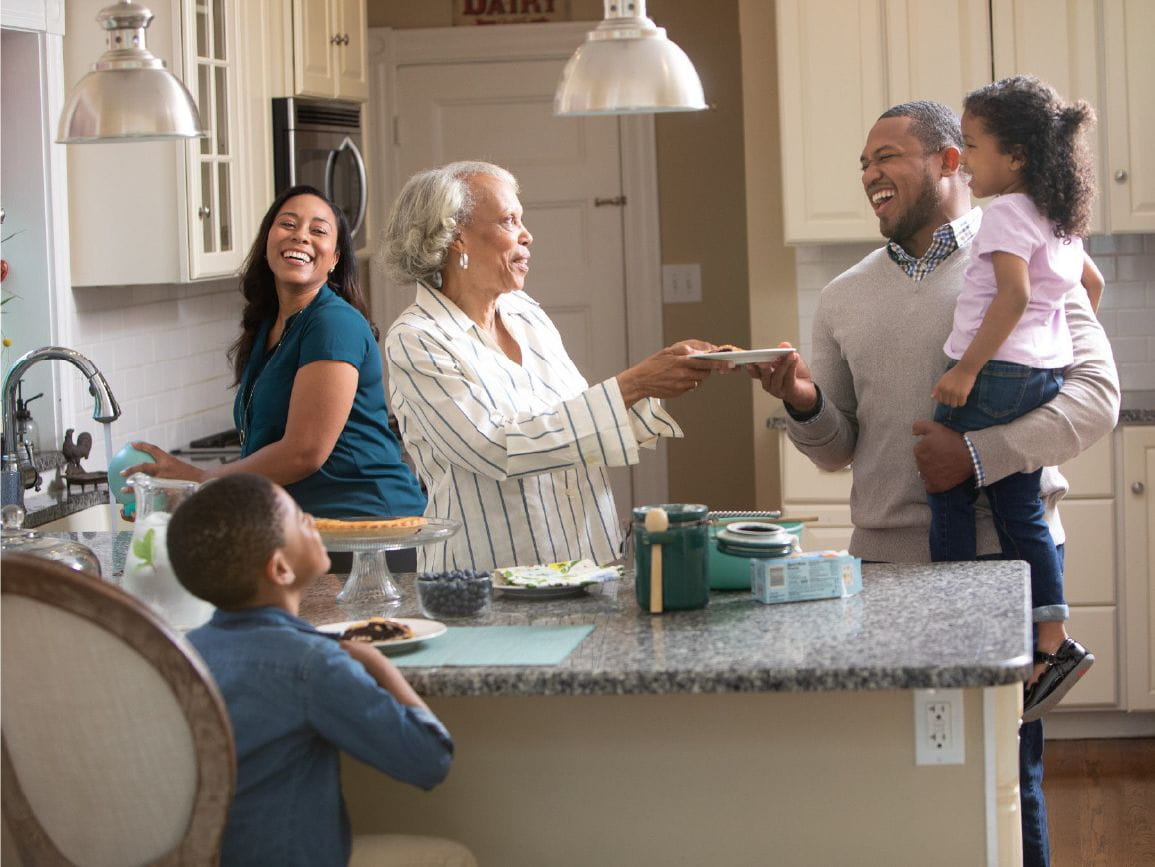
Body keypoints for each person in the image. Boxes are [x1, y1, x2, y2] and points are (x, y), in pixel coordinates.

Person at [751, 101, 1119, 866]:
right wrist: (802, 401)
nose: (868, 175)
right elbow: (837, 448)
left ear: (951, 161)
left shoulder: (1025, 249)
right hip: (881, 572)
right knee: (892, 784)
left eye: (885, 155)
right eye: (861, 163)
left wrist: (977, 456)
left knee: (1002, 781)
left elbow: (1094, 396)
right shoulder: (842, 296)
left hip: (999, 563)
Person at [379, 161, 724, 572]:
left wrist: (661, 379)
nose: (527, 235)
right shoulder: (417, 338)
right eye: (510, 221)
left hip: (586, 560)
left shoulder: (526, 314)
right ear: (456, 237)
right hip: (489, 580)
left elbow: (573, 415)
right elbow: (495, 448)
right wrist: (636, 382)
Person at [168, 473, 475, 867]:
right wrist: (380, 665)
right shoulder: (313, 663)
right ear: (279, 569)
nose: (312, 521)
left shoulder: (184, 653)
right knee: (453, 858)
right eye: (299, 519)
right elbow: (430, 760)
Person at [930, 76, 1103, 722]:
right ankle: (1050, 639)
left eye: (972, 146)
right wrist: (1049, 344)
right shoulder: (1055, 213)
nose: (964, 161)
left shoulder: (1004, 212)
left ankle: (951, 619)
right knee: (1016, 498)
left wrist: (966, 372)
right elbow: (1092, 284)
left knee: (945, 476)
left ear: (1016, 155)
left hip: (994, 370)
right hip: (1038, 371)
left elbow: (1012, 296)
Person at [125, 185, 425, 522]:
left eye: (318, 230)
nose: (300, 237)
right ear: (267, 241)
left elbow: (303, 453)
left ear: (335, 259)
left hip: (367, 529)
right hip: (306, 529)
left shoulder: (334, 323)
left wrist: (198, 482)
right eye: (288, 224)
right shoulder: (270, 326)